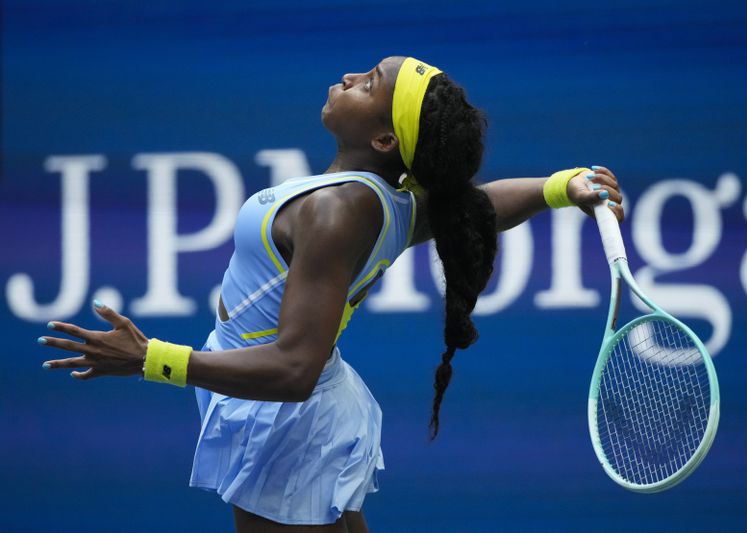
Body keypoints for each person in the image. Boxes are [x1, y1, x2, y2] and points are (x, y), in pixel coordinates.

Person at [39, 56, 624, 532]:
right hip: (302, 411)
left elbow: (294, 367)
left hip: (282, 419)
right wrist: (560, 186)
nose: (348, 77)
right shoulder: (381, 199)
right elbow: (481, 204)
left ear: (385, 137)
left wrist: (150, 360)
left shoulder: (339, 209)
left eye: (368, 83)